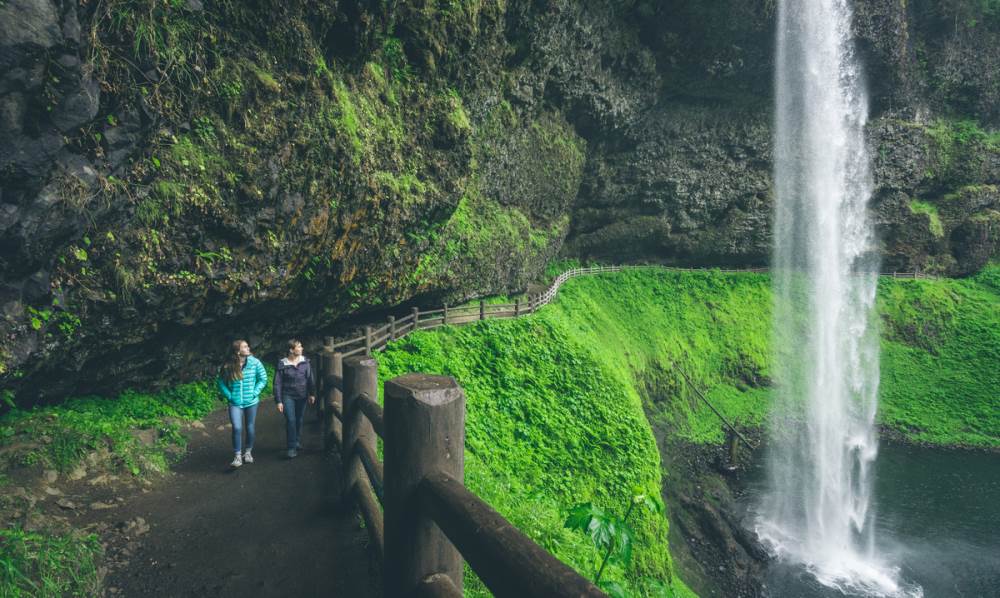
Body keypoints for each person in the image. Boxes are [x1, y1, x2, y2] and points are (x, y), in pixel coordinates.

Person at [217, 339, 268, 468]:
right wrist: (229, 396)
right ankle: (237, 456)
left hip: (251, 402)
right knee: (237, 427)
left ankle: (248, 453)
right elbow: (221, 382)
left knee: (250, 427)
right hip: (235, 403)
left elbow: (263, 378)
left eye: (247, 346)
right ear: (237, 351)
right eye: (245, 346)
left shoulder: (255, 363)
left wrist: (254, 392)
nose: (248, 348)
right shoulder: (229, 365)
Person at [273, 339, 316, 458]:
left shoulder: (305, 362)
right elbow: (277, 383)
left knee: (299, 419)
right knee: (291, 420)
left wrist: (312, 394)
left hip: (302, 396)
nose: (302, 348)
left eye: (301, 346)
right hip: (288, 396)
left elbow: (310, 379)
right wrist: (279, 401)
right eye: (299, 346)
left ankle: (296, 441)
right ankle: (291, 447)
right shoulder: (282, 364)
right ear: (291, 350)